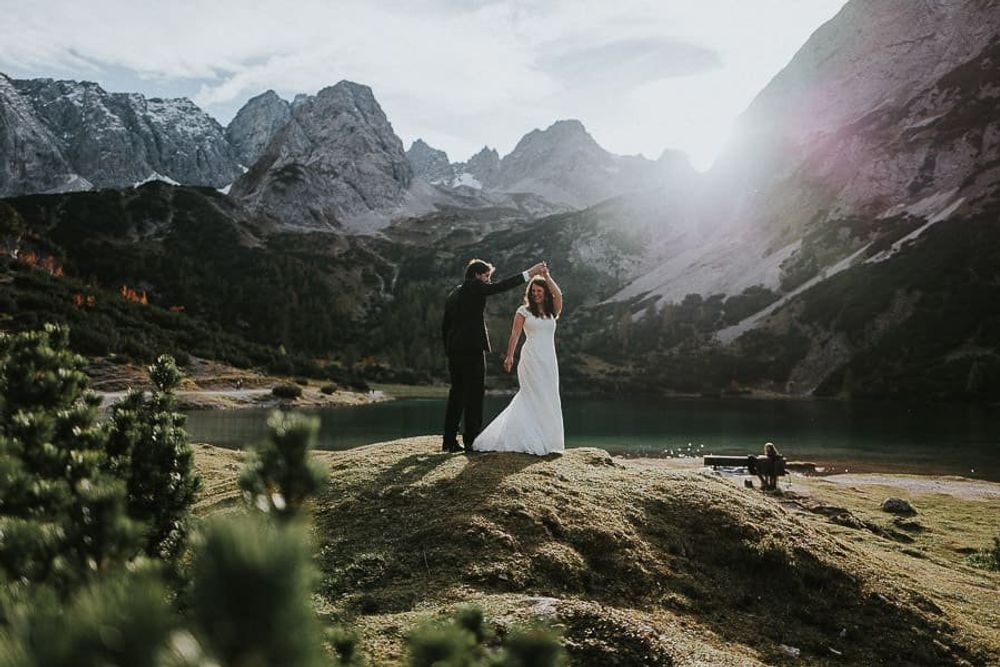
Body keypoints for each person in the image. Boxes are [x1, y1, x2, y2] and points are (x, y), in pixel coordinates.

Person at [441, 258, 546, 452]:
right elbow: (500, 287)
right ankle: (471, 441)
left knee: (456, 394)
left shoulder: (454, 293)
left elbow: (445, 326)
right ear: (476, 276)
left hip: (455, 351)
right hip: (471, 350)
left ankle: (448, 441)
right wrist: (529, 273)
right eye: (487, 276)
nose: (489, 280)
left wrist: (449, 349)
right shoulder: (474, 287)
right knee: (474, 394)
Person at [473, 267, 564, 456]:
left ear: (545, 292)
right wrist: (509, 356)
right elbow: (514, 334)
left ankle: (547, 439)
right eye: (533, 291)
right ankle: (528, 438)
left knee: (548, 396)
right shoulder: (523, 311)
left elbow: (559, 294)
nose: (536, 294)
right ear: (529, 293)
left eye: (540, 291)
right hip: (531, 358)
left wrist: (547, 277)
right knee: (531, 395)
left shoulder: (552, 310)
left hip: (549, 360)